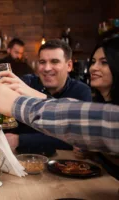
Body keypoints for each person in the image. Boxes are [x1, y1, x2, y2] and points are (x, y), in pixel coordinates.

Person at [0, 39, 92, 154]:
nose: (47, 68)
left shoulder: (80, 91)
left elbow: (77, 140)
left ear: (69, 65)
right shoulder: (25, 82)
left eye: (54, 61)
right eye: (42, 62)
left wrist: (20, 140)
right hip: (22, 161)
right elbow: (5, 126)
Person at [0, 82, 119, 154]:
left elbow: (93, 123)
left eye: (104, 62)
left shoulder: (81, 89)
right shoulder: (31, 81)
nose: (94, 67)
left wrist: (15, 103)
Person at [73, 36, 119, 179]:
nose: (93, 68)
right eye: (93, 62)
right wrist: (90, 152)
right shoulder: (99, 104)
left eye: (104, 62)